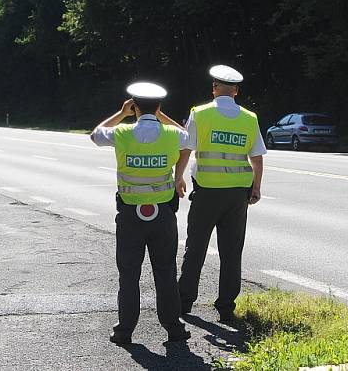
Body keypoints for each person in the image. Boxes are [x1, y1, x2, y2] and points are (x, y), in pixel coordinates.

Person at [90, 82, 191, 345]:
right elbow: (190, 138)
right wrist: (161, 116)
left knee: (129, 273)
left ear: (134, 106)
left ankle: (124, 330)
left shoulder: (122, 133)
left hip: (129, 214)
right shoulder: (171, 134)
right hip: (163, 214)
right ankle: (173, 327)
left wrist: (122, 113)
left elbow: (95, 134)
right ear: (158, 107)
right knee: (166, 271)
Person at [176, 65, 266, 324]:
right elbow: (257, 159)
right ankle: (226, 307)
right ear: (236, 90)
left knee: (196, 248)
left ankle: (185, 302)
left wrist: (177, 177)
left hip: (207, 192)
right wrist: (256, 187)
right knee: (231, 251)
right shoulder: (249, 118)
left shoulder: (200, 114)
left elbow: (186, 150)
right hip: (238, 194)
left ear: (214, 89)